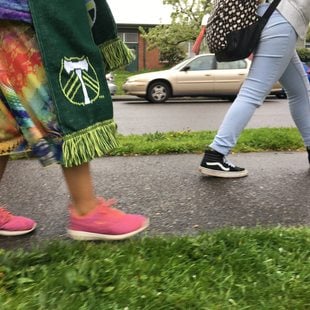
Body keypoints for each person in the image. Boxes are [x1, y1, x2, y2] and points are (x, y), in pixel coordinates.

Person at [0, 0, 149, 239]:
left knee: (4, 123)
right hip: (29, 19)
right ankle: (86, 209)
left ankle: (86, 208)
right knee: (63, 110)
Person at [199, 0, 310, 178]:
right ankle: (215, 154)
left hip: (270, 16)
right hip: (281, 21)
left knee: (300, 91)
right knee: (253, 91)